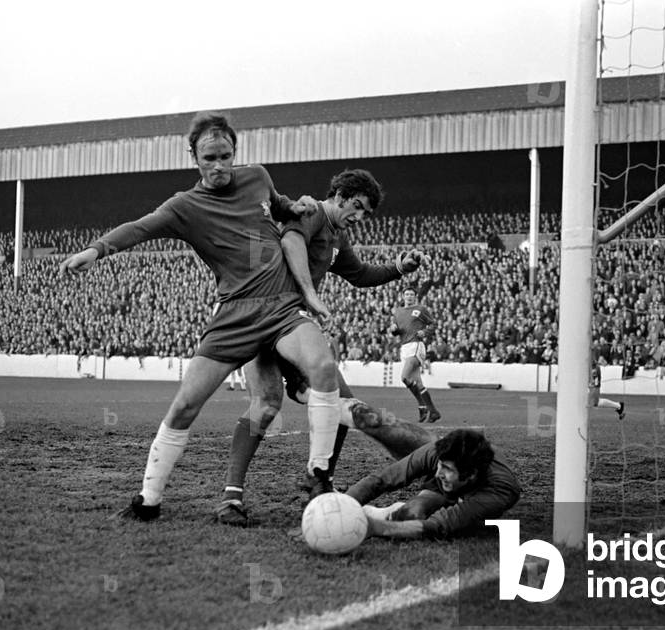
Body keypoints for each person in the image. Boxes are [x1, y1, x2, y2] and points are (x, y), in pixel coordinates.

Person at [60, 111, 341, 520]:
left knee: (323, 366)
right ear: (193, 156)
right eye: (209, 158)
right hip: (235, 315)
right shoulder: (185, 207)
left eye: (225, 156)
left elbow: (277, 206)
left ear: (235, 153)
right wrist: (95, 250)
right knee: (185, 406)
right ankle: (148, 500)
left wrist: (293, 206)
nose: (219, 165)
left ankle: (318, 475)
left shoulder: (258, 176)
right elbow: (139, 228)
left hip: (281, 306)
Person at [218, 169, 425, 525]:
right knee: (266, 405)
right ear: (340, 195)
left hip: (294, 327)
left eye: (365, 213)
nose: (359, 216)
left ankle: (319, 481)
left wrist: (398, 268)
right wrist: (310, 293)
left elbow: (360, 274)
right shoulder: (312, 213)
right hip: (265, 317)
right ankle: (231, 497)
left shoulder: (337, 235)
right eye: (356, 206)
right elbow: (292, 241)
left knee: (339, 402)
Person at [346, 429, 521, 540]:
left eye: (447, 468)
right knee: (412, 514)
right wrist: (342, 503)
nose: (438, 473)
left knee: (466, 528)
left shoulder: (500, 491)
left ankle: (376, 518)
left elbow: (437, 526)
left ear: (471, 474)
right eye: (440, 465)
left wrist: (375, 528)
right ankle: (378, 512)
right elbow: (382, 479)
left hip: (477, 497)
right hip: (451, 486)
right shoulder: (434, 452)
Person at [389, 287, 441, 422]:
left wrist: (425, 332)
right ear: (403, 296)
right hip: (404, 347)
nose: (409, 296)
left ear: (415, 296)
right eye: (407, 294)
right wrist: (393, 330)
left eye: (411, 294)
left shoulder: (421, 309)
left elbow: (433, 324)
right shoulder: (398, 312)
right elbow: (397, 331)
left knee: (405, 377)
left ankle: (422, 406)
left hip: (416, 345)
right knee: (418, 383)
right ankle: (432, 411)